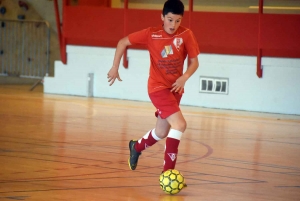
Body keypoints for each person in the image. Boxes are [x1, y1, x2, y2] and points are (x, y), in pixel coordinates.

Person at [107, 0, 199, 176]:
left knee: (161, 131)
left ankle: (136, 146)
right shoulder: (151, 34)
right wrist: (114, 67)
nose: (173, 25)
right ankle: (167, 174)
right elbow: (122, 42)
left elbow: (194, 62)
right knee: (179, 125)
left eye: (178, 21)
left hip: (175, 89)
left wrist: (184, 77)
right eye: (170, 20)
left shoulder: (186, 35)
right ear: (162, 17)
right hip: (157, 88)